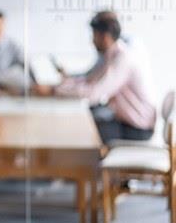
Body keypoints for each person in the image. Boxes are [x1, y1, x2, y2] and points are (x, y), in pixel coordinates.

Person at [33, 11, 156, 144]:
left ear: (105, 37)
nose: (92, 41)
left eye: (94, 35)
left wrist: (54, 90)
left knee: (81, 129)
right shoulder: (111, 55)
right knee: (84, 120)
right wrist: (57, 87)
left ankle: (86, 163)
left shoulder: (122, 59)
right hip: (124, 120)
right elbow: (89, 79)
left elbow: (94, 92)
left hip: (137, 128)